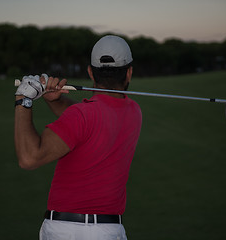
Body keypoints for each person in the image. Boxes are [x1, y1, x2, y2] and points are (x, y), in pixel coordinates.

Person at [14, 35, 142, 240]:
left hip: (65, 231)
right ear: (129, 72)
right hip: (109, 232)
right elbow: (90, 118)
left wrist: (24, 99)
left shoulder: (82, 116)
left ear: (90, 72)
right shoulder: (135, 112)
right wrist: (56, 100)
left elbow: (29, 158)